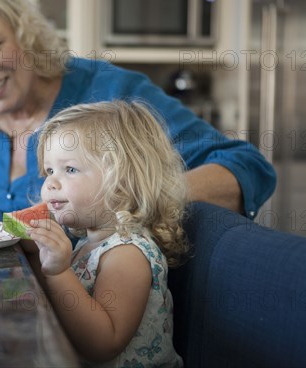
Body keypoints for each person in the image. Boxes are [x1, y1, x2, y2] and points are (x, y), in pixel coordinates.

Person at [0, 0, 276, 219]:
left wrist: (134, 199)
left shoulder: (111, 93)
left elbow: (248, 168)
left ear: (24, 36)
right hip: (6, 307)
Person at [27, 100, 187, 366]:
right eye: (49, 170)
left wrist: (58, 271)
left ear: (122, 181)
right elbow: (60, 307)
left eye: (70, 169)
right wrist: (36, 254)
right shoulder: (85, 245)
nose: (50, 183)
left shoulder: (128, 254)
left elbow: (103, 343)